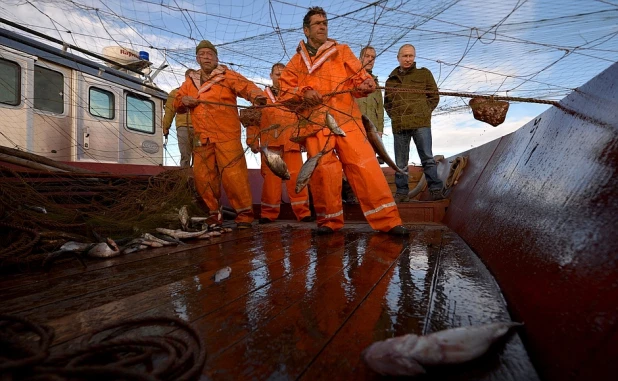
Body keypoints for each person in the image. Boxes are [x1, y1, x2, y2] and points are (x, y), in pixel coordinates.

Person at [278, 6, 408, 236]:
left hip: (346, 119)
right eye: (317, 23)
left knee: (364, 165)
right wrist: (303, 92)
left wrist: (365, 85)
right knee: (322, 172)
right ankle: (329, 222)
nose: (322, 26)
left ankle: (389, 221)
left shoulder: (342, 51)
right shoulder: (296, 62)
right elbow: (284, 93)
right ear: (306, 30)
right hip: (316, 124)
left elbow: (359, 80)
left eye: (325, 23)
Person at [174, 40, 267, 229]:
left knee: (234, 176)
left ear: (216, 57)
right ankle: (213, 213)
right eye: (202, 54)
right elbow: (177, 103)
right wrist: (183, 100)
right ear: (197, 58)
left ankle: (245, 215)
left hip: (227, 136)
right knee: (203, 177)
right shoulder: (189, 81)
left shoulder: (227, 75)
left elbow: (247, 87)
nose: (206, 57)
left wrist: (257, 96)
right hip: (202, 137)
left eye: (210, 54)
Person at [245, 63, 312, 224]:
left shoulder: (295, 96)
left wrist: (303, 140)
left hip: (291, 144)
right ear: (271, 76)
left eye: (283, 75)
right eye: (277, 74)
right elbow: (252, 120)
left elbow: (304, 119)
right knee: (270, 181)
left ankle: (303, 213)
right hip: (270, 145)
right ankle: (268, 213)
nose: (280, 78)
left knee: (297, 178)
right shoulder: (261, 97)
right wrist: (252, 140)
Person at [384, 44, 445, 202]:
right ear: (398, 58)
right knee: (400, 163)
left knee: (427, 158)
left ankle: (435, 190)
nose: (408, 59)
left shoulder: (424, 74)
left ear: (414, 57)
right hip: (400, 126)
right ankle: (402, 193)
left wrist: (423, 112)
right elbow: (388, 104)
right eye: (405, 56)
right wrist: (396, 117)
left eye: (411, 56)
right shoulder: (391, 80)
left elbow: (434, 97)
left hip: (421, 123)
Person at [162, 69, 195, 168]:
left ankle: (199, 179)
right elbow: (169, 111)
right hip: (183, 127)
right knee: (185, 155)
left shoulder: (201, 92)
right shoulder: (175, 92)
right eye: (191, 77)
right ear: (186, 77)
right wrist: (166, 126)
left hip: (199, 127)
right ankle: (185, 177)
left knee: (201, 156)